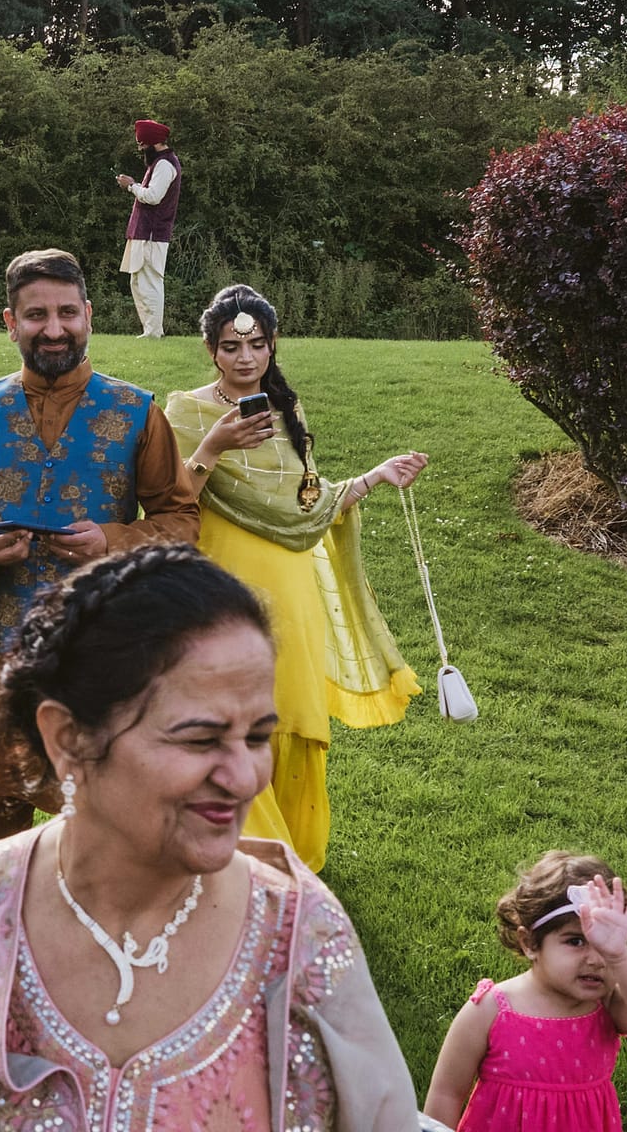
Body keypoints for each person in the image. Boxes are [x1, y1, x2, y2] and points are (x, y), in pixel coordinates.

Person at [0, 544, 422, 1130]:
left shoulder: (302, 934)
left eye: (258, 737)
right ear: (68, 739)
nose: (245, 778)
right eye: (199, 739)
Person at [0, 247, 199, 849]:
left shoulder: (136, 412)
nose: (54, 329)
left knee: (108, 824)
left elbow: (180, 519)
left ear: (88, 315)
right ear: (10, 323)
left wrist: (112, 541)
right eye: (36, 315)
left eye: (67, 312)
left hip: (102, 652)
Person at [165, 283, 425, 871]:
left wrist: (377, 475)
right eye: (231, 346)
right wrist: (214, 444)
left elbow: (307, 505)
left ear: (273, 344)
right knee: (228, 713)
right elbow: (169, 501)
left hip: (292, 584)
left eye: (256, 344)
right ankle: (228, 848)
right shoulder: (186, 412)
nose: (245, 357)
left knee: (289, 711)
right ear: (210, 349)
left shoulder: (287, 408)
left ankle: (289, 854)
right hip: (222, 584)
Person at [423, 851, 627, 1131]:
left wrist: (619, 957)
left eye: (608, 944)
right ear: (530, 942)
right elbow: (447, 1092)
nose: (596, 959)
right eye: (576, 941)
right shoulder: (490, 1009)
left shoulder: (607, 1003)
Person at [116, 118, 180, 338]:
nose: (140, 149)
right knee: (138, 281)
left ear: (153, 142)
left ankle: (153, 332)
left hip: (152, 233)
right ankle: (150, 330)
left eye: (142, 144)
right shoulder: (159, 163)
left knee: (149, 282)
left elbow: (153, 197)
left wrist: (131, 186)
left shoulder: (165, 165)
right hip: (144, 232)